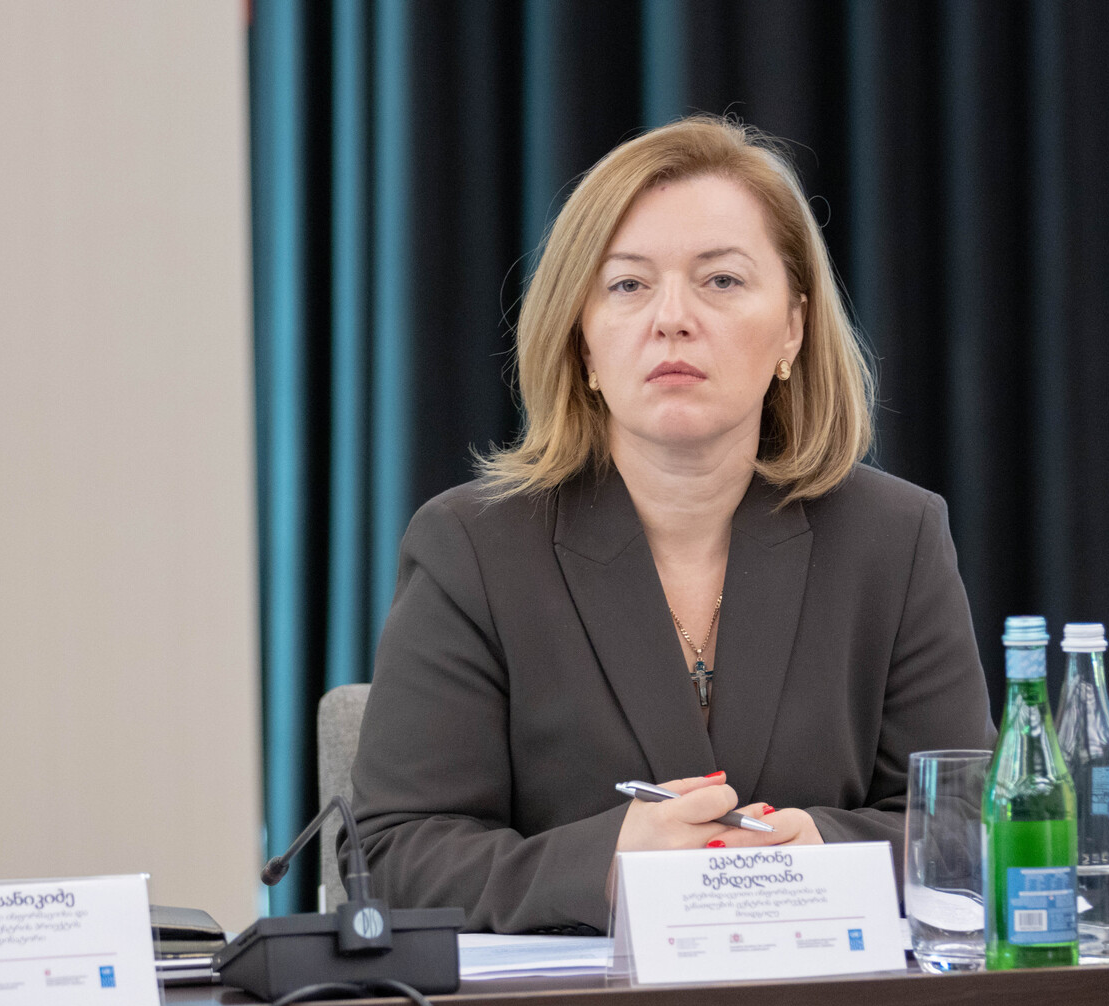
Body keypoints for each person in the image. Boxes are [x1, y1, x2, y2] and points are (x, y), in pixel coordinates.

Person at [348, 115, 995, 934]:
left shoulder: (895, 539)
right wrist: (610, 866)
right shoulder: (471, 548)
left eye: (721, 280)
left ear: (792, 328)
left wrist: (823, 852)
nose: (673, 318)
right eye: (628, 285)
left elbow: (971, 825)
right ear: (584, 341)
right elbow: (395, 854)